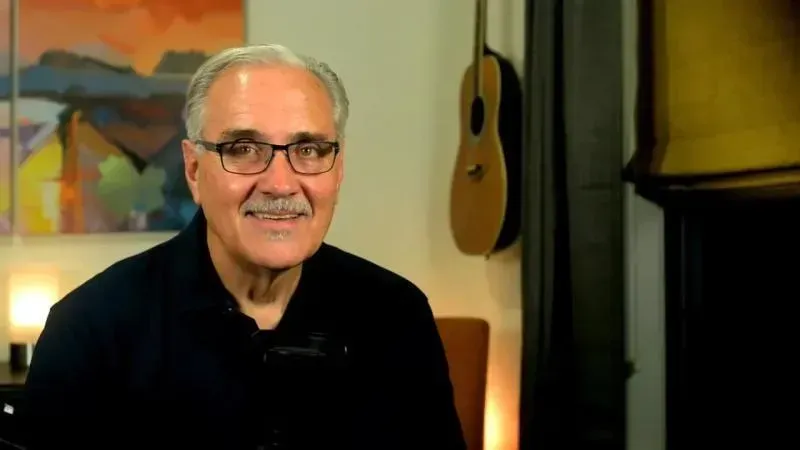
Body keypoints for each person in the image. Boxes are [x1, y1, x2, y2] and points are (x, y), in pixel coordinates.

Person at [21, 43, 466, 450]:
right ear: (194, 170)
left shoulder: (396, 314)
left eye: (308, 149)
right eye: (244, 148)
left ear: (339, 168)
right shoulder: (90, 329)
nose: (279, 183)